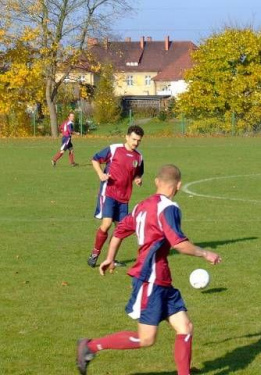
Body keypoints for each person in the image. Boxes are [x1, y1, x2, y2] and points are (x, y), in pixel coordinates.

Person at [76, 164, 222, 375]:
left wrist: (109, 258)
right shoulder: (169, 208)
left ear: (156, 181)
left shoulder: (141, 206)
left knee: (185, 327)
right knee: (146, 338)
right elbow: (179, 244)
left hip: (162, 279)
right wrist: (205, 253)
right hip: (151, 278)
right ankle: (89, 347)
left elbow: (119, 232)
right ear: (178, 185)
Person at [87, 125, 145, 268]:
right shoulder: (114, 149)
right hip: (109, 193)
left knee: (120, 230)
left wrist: (137, 178)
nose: (135, 143)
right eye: (133, 139)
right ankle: (95, 254)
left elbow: (138, 172)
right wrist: (101, 174)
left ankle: (111, 259)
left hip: (124, 198)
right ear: (126, 137)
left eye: (138, 140)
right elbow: (95, 159)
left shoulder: (139, 157)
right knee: (106, 225)